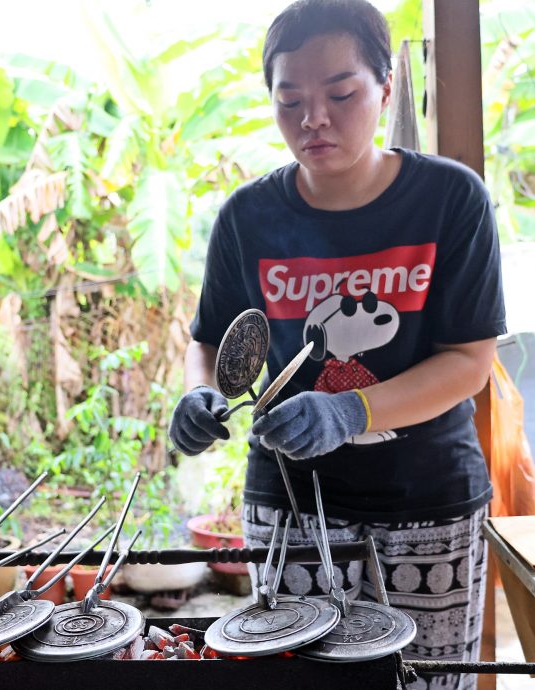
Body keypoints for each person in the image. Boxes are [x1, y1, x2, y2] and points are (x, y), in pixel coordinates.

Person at [167, 1, 506, 688]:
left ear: (384, 86)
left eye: (340, 94)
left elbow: (469, 361)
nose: (311, 119)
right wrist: (199, 394)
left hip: (427, 499)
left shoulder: (447, 199)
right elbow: (211, 344)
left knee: (424, 681)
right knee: (298, 677)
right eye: (288, 99)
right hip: (287, 500)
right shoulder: (248, 216)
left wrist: (351, 411)